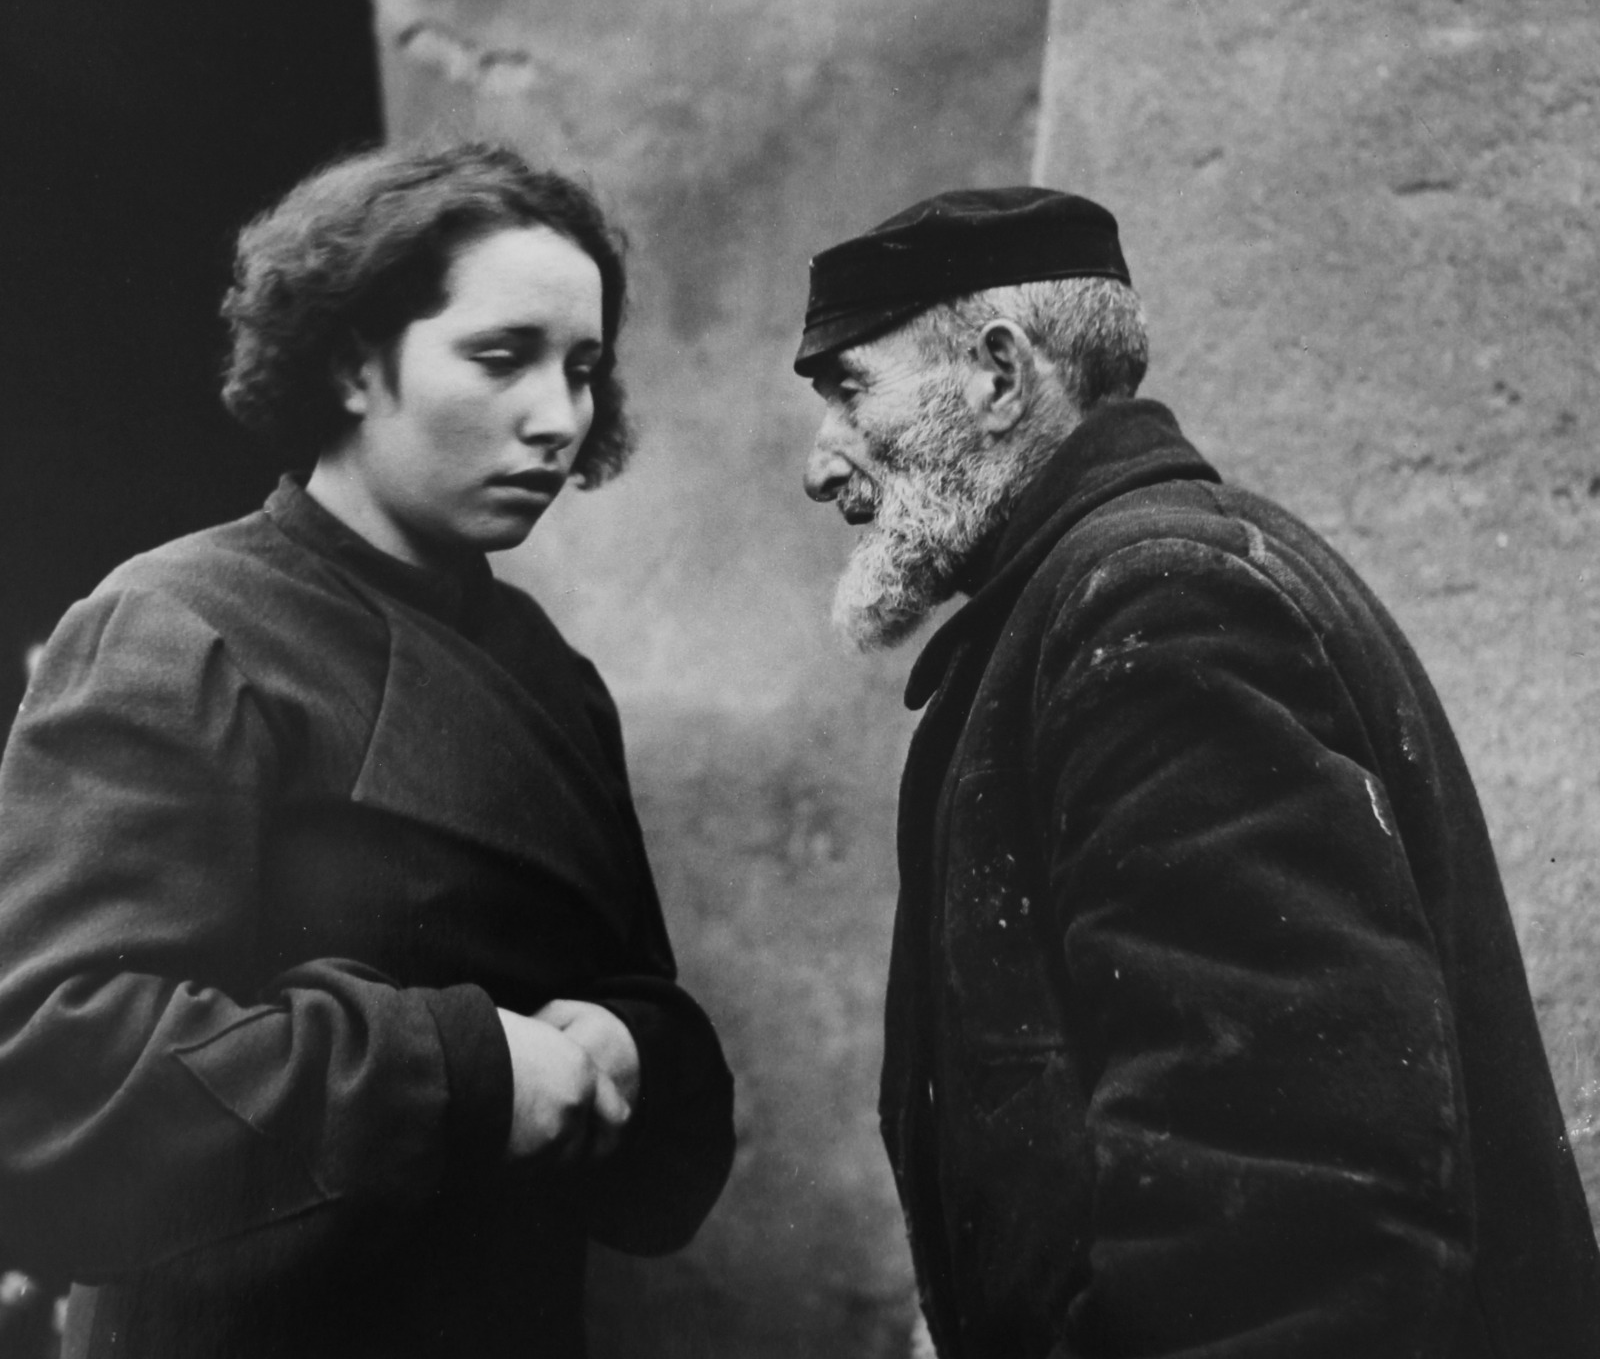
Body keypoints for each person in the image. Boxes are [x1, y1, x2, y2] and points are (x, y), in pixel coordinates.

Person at [795, 186, 1600, 1357]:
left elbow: (1292, 1211)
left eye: (848, 390)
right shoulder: (1116, 589)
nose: (822, 467)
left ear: (998, 373)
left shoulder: (1157, 602)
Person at [0, 141, 735, 1359]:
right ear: (352, 363)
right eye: (501, 358)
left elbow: (640, 1001)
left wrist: (629, 1047)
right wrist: (464, 1070)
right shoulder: (181, 624)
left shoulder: (551, 674)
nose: (559, 419)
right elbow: (53, 1070)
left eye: (586, 370)